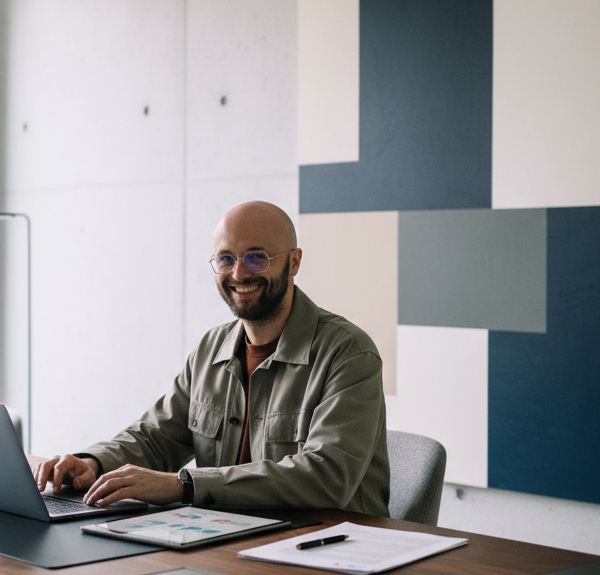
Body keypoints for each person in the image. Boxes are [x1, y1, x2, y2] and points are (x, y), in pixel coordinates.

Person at [34, 200, 390, 515]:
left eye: (257, 257)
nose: (239, 273)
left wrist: (184, 485)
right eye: (226, 259)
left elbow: (325, 477)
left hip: (328, 552)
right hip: (228, 539)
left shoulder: (349, 353)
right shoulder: (210, 350)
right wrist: (93, 462)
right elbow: (156, 437)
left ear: (294, 262)